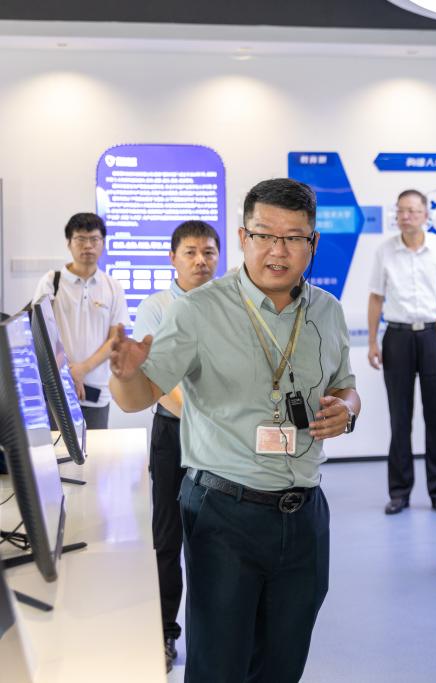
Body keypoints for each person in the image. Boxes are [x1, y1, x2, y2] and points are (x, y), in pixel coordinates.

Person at [109, 178, 361, 683]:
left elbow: (345, 386)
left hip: (305, 513)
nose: (278, 250)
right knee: (218, 666)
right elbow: (139, 396)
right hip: (225, 512)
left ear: (312, 242)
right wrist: (126, 373)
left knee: (283, 663)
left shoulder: (328, 311)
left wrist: (348, 410)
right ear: (244, 238)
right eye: (264, 235)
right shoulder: (198, 309)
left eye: (294, 237)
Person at [131, 220, 220, 672]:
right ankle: (164, 632)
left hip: (222, 442)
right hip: (174, 433)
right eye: (190, 252)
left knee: (214, 539)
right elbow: (155, 380)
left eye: (208, 252)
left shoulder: (230, 304)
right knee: (167, 538)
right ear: (173, 258)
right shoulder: (156, 307)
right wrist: (205, 421)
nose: (201, 261)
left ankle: (216, 635)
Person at [368, 189, 436, 515]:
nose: (405, 216)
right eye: (401, 211)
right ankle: (399, 492)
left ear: (426, 215)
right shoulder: (385, 250)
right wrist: (373, 342)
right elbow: (376, 297)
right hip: (398, 336)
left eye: (412, 211)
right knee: (399, 418)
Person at [33, 212, 129, 429]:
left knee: (96, 448)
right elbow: (41, 333)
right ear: (69, 243)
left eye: (94, 239)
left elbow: (115, 338)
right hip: (57, 387)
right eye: (80, 239)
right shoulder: (51, 282)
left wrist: (82, 369)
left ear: (103, 243)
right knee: (54, 447)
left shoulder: (113, 287)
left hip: (97, 391)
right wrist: (67, 372)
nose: (88, 246)